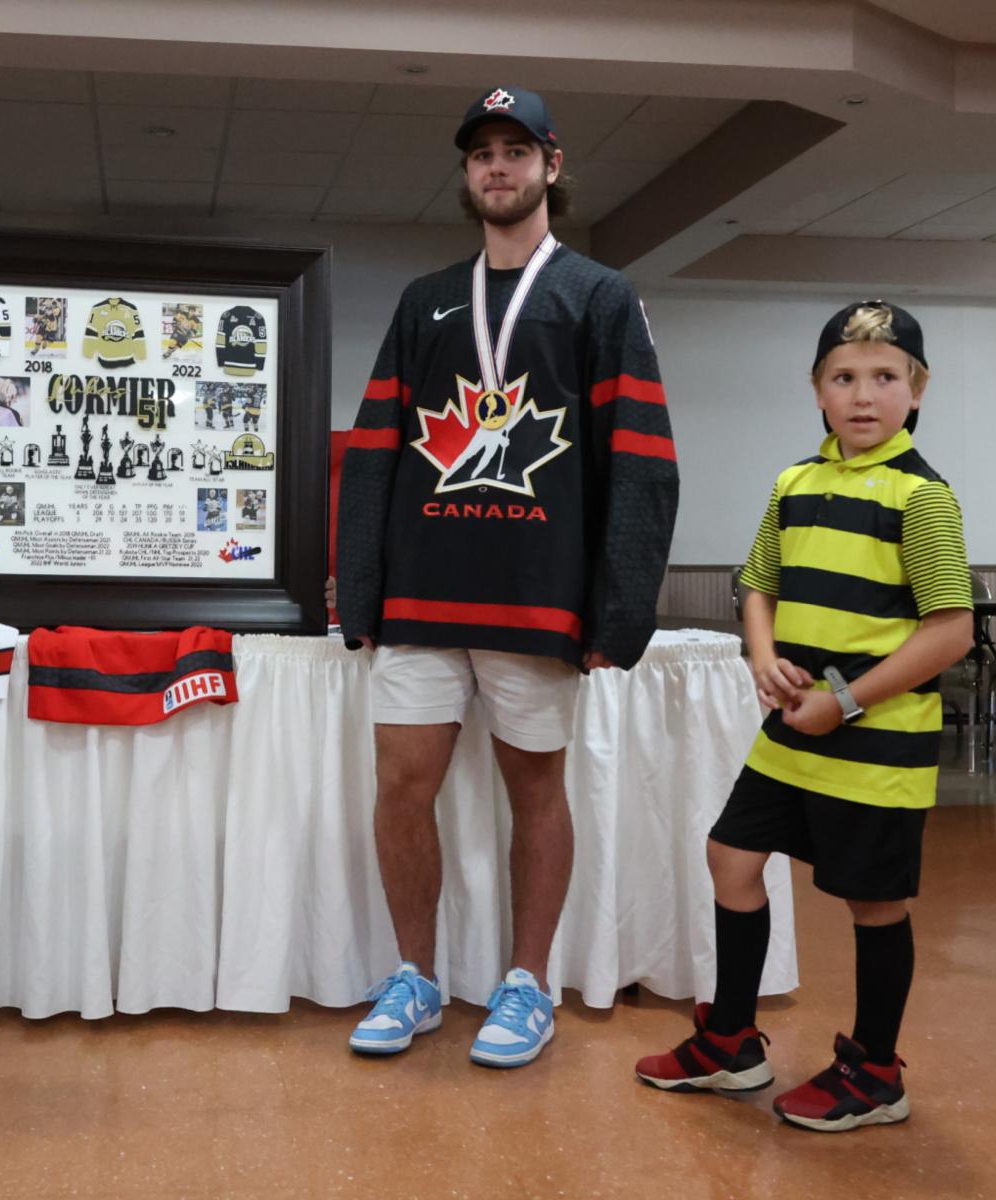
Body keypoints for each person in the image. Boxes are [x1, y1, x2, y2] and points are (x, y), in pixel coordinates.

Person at [335, 86, 678, 1068]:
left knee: (535, 790)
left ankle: (525, 984)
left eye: (515, 151)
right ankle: (414, 976)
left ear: (551, 167)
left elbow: (642, 457)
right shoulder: (424, 299)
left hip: (537, 596)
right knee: (402, 786)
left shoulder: (598, 296)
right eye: (481, 152)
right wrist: (360, 588)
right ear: (466, 173)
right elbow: (373, 454)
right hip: (421, 596)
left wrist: (620, 608)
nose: (497, 166)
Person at [634, 302, 972, 1132]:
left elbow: (951, 630)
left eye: (885, 377)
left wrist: (848, 701)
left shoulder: (921, 497)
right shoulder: (795, 483)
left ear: (917, 391)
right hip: (792, 730)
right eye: (844, 378)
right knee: (731, 857)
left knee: (871, 900)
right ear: (818, 392)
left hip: (877, 741)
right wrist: (759, 656)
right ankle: (731, 1042)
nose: (864, 395)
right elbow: (757, 584)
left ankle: (876, 1071)